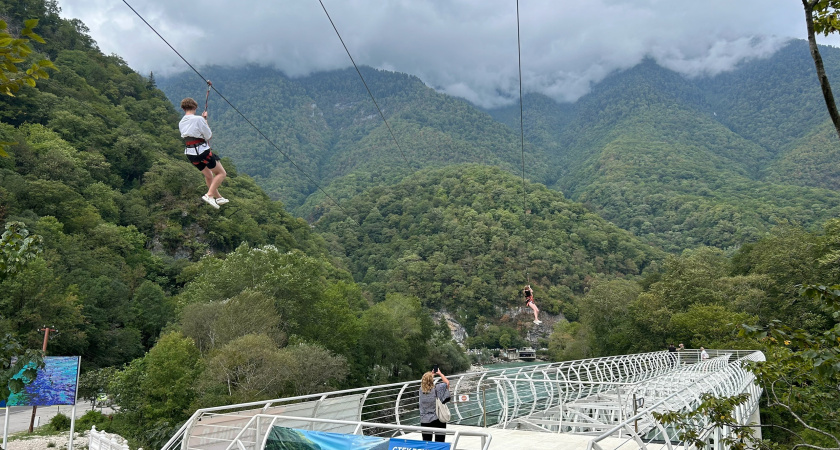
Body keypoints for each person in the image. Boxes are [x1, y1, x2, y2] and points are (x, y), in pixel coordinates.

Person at [179, 96, 228, 209]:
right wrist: (205, 121)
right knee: (221, 173)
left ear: (183, 109)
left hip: (190, 154)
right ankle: (209, 195)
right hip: (201, 151)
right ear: (195, 107)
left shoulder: (181, 122)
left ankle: (218, 198)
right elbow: (208, 135)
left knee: (208, 175)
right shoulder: (198, 119)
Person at [419, 368, 450, 442]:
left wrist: (431, 374)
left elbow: (426, 381)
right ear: (432, 380)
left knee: (427, 442)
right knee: (440, 441)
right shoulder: (437, 388)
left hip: (424, 420)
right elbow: (447, 383)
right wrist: (440, 373)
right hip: (437, 419)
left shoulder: (421, 390)